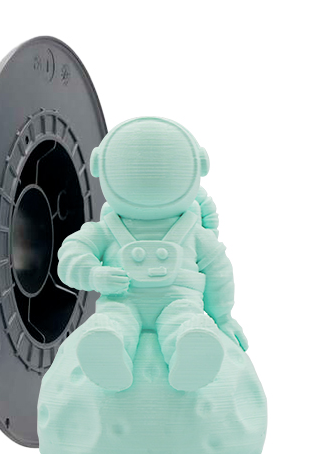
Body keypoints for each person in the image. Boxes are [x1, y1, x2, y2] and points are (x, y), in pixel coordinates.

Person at [58, 117, 247, 392]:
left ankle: (192, 355)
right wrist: (93, 274)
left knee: (185, 321)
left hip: (179, 302)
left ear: (99, 165)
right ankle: (108, 353)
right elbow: (73, 253)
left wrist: (222, 317)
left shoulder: (193, 230)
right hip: (121, 303)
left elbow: (218, 269)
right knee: (113, 323)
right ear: (200, 164)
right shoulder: (107, 229)